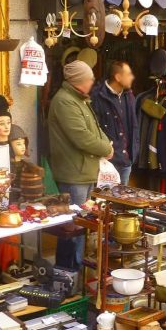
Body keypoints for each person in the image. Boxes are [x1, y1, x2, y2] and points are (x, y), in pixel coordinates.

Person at [48, 60, 113, 268]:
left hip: (83, 170)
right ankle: (68, 274)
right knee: (73, 228)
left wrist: (107, 145)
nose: (93, 81)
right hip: (73, 173)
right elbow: (81, 137)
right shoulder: (65, 101)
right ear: (79, 81)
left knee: (81, 224)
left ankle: (74, 274)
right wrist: (105, 148)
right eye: (89, 78)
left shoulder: (79, 99)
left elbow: (95, 129)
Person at [90, 61, 139, 185]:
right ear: (118, 77)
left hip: (126, 161)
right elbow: (92, 129)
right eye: (128, 74)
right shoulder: (96, 96)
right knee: (103, 202)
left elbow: (134, 126)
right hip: (105, 162)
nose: (132, 77)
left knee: (122, 201)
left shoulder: (129, 96)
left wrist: (133, 152)